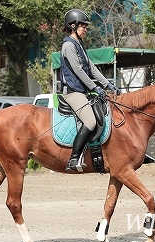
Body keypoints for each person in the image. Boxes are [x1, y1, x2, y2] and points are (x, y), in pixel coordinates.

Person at [61, 9, 121, 172]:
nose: (86, 29)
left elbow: (91, 68)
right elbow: (79, 71)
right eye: (83, 26)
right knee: (90, 121)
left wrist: (107, 84)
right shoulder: (68, 45)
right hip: (73, 92)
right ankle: (73, 159)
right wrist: (95, 87)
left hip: (83, 92)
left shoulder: (79, 44)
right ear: (73, 26)